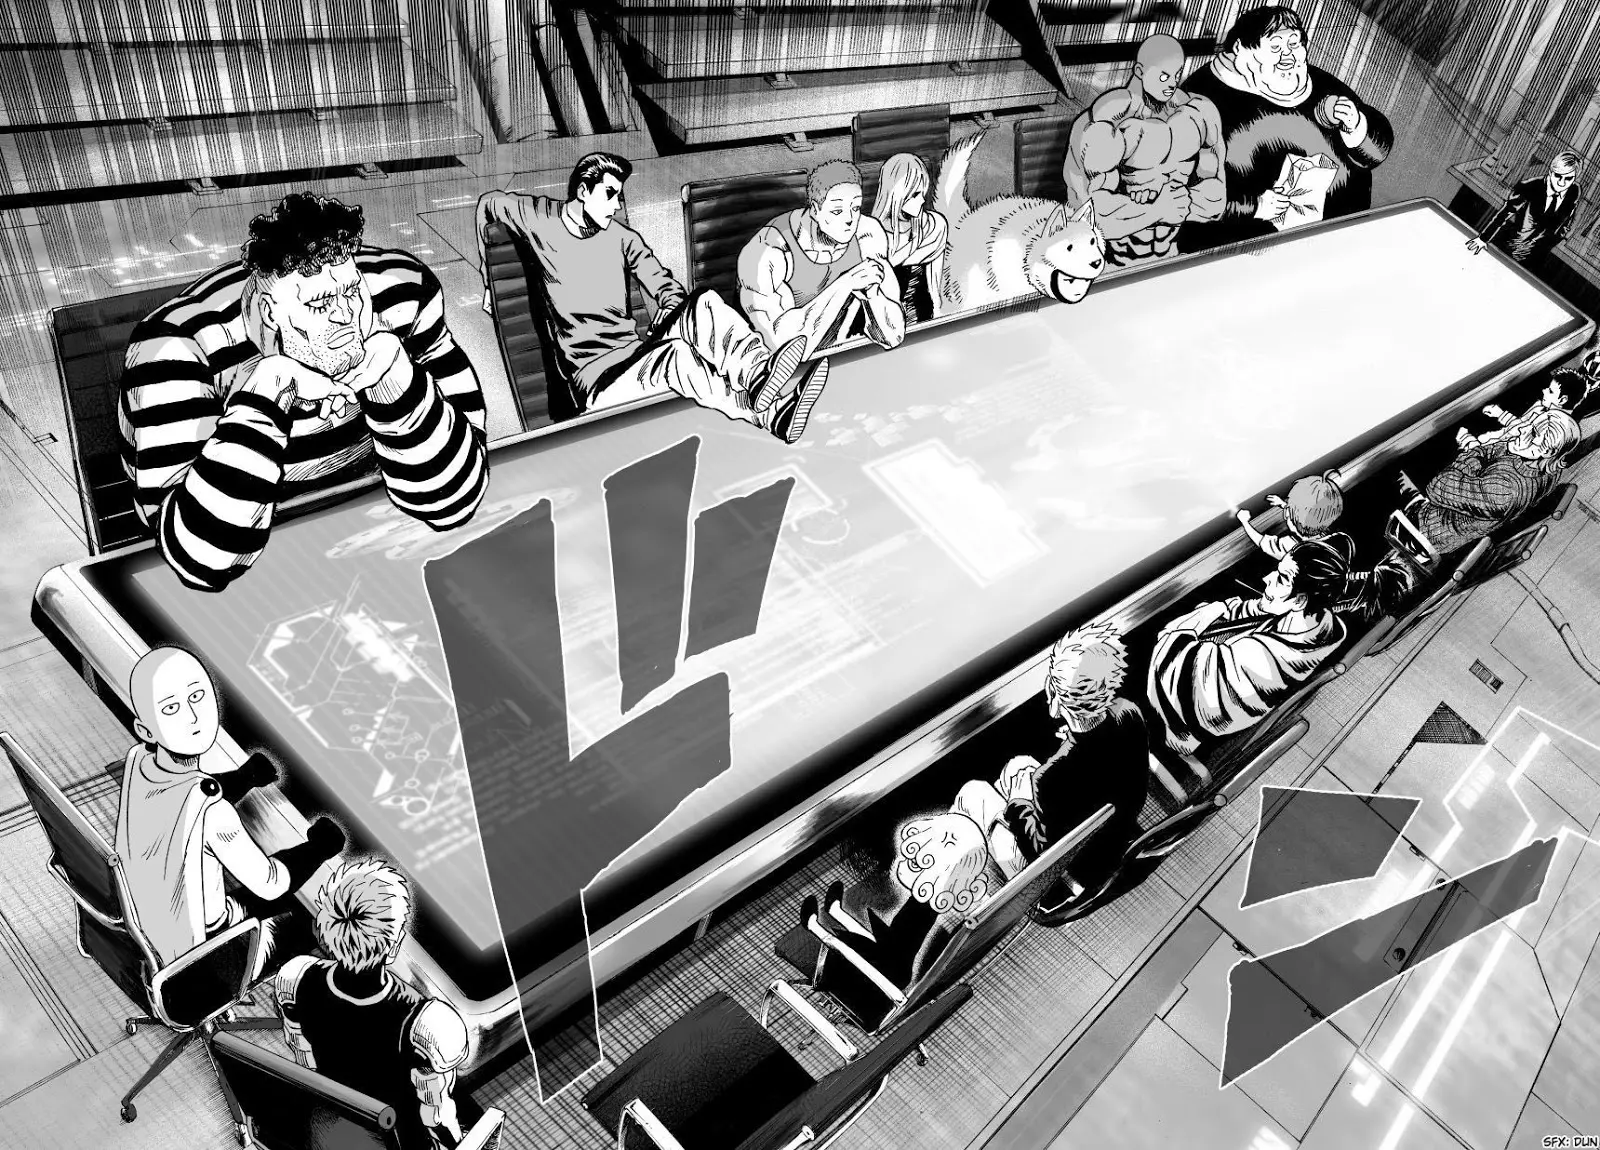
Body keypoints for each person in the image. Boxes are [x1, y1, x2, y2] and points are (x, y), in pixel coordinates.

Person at [121, 192, 489, 593]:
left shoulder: (402, 293)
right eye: (320, 304)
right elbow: (200, 560)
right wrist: (267, 391)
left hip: (384, 534)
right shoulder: (175, 348)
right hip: (255, 575)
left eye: (351, 292)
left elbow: (456, 501)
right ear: (268, 313)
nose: (346, 316)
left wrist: (395, 381)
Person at [476, 153, 827, 444]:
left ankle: (759, 372)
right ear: (583, 191)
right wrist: (487, 281)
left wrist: (671, 306)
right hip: (598, 385)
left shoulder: (621, 238)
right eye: (609, 194)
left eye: (619, 196)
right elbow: (487, 205)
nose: (616, 205)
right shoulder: (538, 218)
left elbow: (663, 282)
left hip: (636, 358)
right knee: (677, 357)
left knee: (703, 303)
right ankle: (769, 415)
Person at [115, 645, 345, 971]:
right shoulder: (214, 813)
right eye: (171, 708)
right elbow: (271, 883)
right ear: (145, 729)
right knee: (308, 918)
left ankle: (249, 777)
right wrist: (320, 848)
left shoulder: (138, 760)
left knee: (246, 898)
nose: (192, 717)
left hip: (147, 928)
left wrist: (245, 778)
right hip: (202, 959)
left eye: (197, 697)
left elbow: (185, 799)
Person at [276, 859, 481, 1150]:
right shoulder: (426, 1024)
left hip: (325, 1127)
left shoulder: (296, 978)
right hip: (396, 1140)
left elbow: (306, 1065)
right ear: (393, 945)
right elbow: (437, 1116)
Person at [950, 621, 1149, 892]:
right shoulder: (1128, 713)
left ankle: (972, 877)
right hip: (1122, 835)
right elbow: (1103, 748)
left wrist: (1018, 802)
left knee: (976, 793)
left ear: (1055, 699)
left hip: (1080, 870)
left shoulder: (1050, 778)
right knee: (1018, 765)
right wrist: (1075, 738)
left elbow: (1039, 848)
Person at [1177, 6, 1393, 252]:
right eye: (1275, 46)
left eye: (1294, 44)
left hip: (1340, 241)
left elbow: (1377, 153)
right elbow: (1182, 195)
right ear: (1241, 49)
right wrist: (1254, 206)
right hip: (1245, 255)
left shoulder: (1319, 84)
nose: (1287, 56)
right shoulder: (1202, 99)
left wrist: (1356, 127)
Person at [1149, 540, 1351, 753]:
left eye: (1281, 578)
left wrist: (1199, 618)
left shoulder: (1259, 659)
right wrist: (1229, 609)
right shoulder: (1315, 623)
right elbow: (1257, 612)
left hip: (1180, 728)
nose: (1267, 578)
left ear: (1300, 600)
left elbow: (1177, 668)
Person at [1062, 33, 1227, 265]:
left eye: (1177, 74)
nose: (1172, 84)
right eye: (1164, 76)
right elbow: (1090, 215)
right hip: (1108, 264)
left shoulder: (1198, 114)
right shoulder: (1104, 122)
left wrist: (1176, 200)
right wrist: (1157, 210)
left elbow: (1216, 201)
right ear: (1140, 70)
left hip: (1172, 255)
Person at [803, 811, 994, 995]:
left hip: (888, 973)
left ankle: (814, 926)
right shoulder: (938, 893)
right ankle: (835, 911)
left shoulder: (934, 891)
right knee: (882, 945)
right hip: (894, 963)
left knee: (866, 948)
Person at [739, 158, 907, 356]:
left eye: (855, 208)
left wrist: (873, 296)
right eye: (837, 211)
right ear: (815, 210)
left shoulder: (867, 233)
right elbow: (784, 351)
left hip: (837, 355)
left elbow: (894, 336)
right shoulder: (769, 252)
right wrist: (845, 284)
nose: (849, 220)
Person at [1399, 407, 1580, 555]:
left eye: (1532, 433)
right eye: (1529, 425)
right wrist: (1475, 462)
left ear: (1547, 451)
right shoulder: (1545, 468)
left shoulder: (1505, 492)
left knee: (1399, 467)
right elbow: (1491, 449)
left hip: (1423, 530)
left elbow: (1438, 486)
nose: (1521, 429)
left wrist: (1471, 460)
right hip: (1441, 512)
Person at [870, 153, 949, 322]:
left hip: (924, 318)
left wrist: (938, 316)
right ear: (897, 194)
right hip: (888, 322)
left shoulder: (933, 226)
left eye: (923, 193)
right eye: (915, 194)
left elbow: (935, 287)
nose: (922, 200)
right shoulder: (874, 234)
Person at [1468, 151, 1583, 266]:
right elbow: (1505, 213)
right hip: (1511, 246)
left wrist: (1546, 245)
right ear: (1550, 171)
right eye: (1557, 176)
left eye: (1568, 179)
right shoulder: (1529, 187)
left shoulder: (1574, 191)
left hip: (1537, 255)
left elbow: (1565, 222)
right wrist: (1483, 238)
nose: (1562, 183)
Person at [1236, 470, 1353, 565]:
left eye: (1289, 510)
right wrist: (1283, 505)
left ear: (1289, 518)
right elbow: (1308, 513)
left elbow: (1261, 541)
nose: (1286, 512)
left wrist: (1244, 522)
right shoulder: (1325, 533)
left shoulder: (1291, 548)